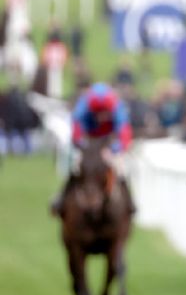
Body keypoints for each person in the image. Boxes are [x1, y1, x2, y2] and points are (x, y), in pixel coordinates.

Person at [50, 82, 135, 217]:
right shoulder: (84, 107)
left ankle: (130, 203)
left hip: (108, 141)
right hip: (89, 140)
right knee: (75, 166)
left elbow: (125, 135)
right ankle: (61, 199)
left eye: (105, 114)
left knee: (121, 168)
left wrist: (114, 149)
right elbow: (76, 131)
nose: (102, 117)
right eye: (98, 114)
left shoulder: (117, 108)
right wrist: (83, 146)